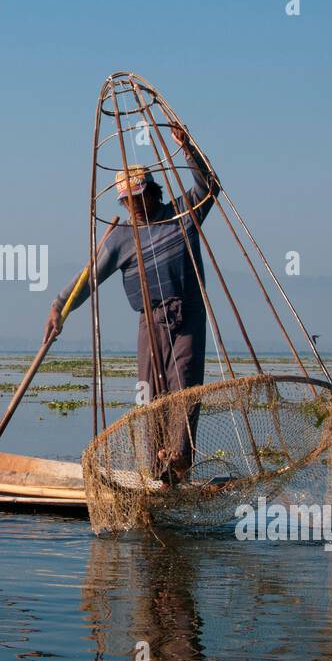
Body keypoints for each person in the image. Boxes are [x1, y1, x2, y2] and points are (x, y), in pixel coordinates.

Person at [43, 125, 220, 483]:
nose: (136, 205)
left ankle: (178, 461)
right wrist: (59, 307)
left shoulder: (180, 215)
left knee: (184, 387)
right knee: (149, 394)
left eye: (141, 197)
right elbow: (89, 278)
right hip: (149, 322)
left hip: (186, 316)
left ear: (152, 192)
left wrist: (188, 149)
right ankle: (157, 472)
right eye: (129, 200)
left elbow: (209, 187)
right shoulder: (122, 238)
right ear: (123, 202)